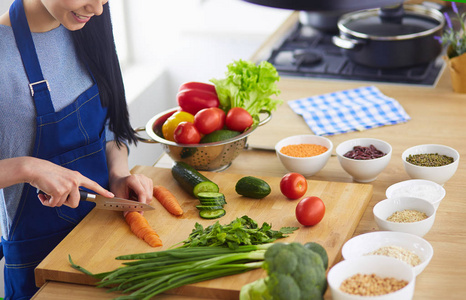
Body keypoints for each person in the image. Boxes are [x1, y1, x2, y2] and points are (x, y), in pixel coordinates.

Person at [0, 0, 154, 298]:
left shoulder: (86, 28)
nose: (97, 8)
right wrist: (27, 168)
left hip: (110, 243)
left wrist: (119, 173)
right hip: (42, 269)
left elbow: (110, 124)